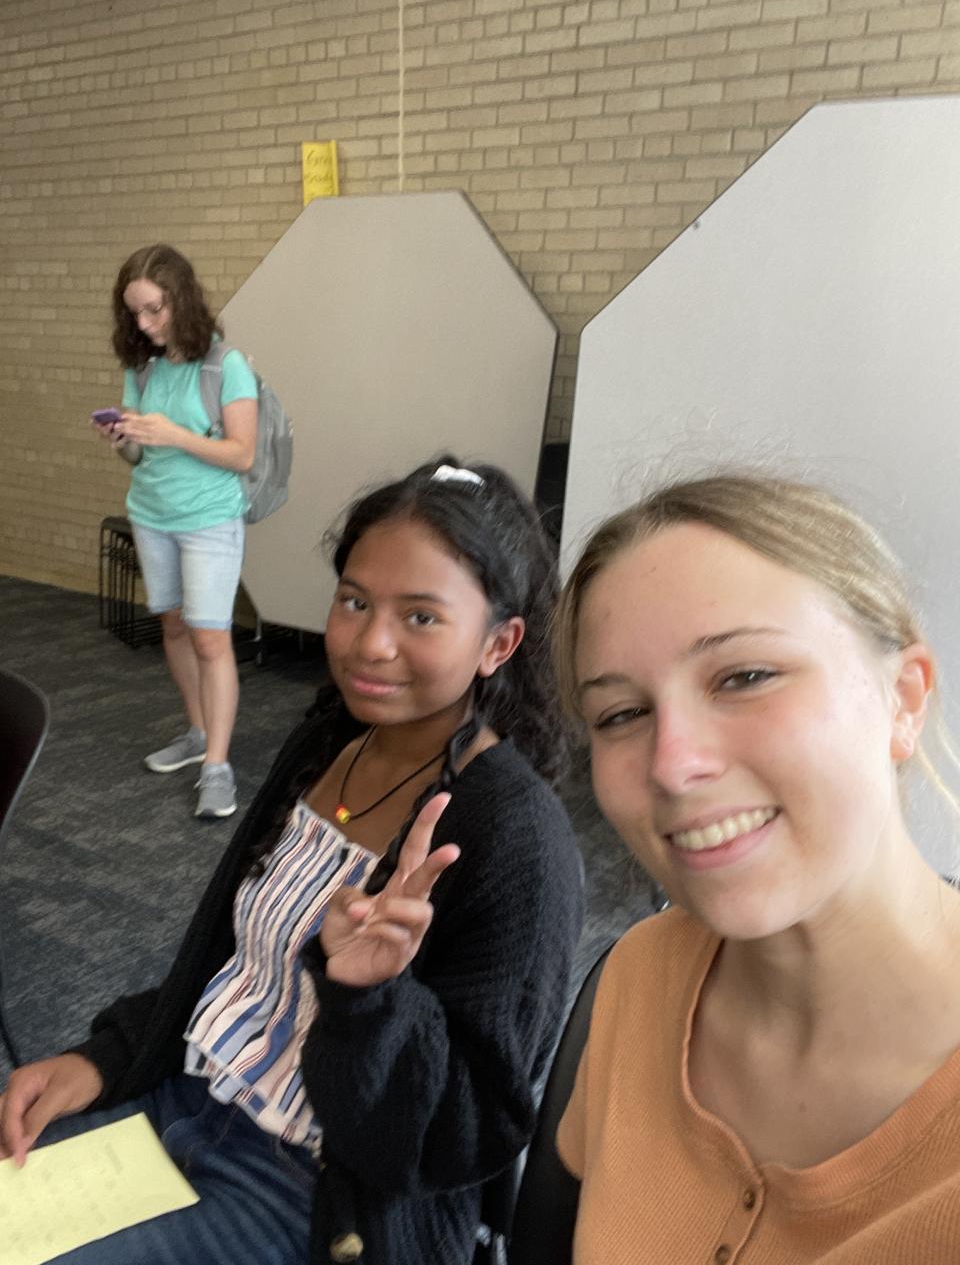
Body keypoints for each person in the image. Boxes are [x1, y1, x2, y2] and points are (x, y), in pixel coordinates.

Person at [0, 456, 584, 1265]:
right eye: (355, 601)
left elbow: (464, 1135)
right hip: (192, 1095)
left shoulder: (519, 841)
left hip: (314, 1189)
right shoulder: (330, 742)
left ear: (499, 643)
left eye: (421, 617)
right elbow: (237, 965)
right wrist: (103, 1058)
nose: (370, 644)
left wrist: (371, 996)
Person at [552, 474, 960, 1264]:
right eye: (622, 714)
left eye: (745, 677)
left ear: (903, 699)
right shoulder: (641, 974)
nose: (673, 766)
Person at [95, 244, 258, 820]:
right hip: (151, 513)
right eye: (134, 312)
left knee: (211, 639)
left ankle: (217, 765)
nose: (144, 323)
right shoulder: (142, 365)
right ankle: (197, 732)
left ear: (181, 299)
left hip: (209, 520)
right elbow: (140, 455)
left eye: (154, 309)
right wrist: (125, 441)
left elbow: (242, 455)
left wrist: (174, 435)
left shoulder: (225, 365)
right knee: (172, 625)